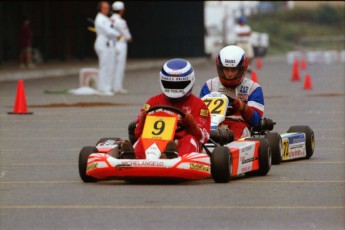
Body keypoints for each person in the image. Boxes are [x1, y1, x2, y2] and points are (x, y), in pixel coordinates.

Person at [122, 58, 211, 159]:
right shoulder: (153, 102)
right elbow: (137, 132)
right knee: (143, 138)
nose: (174, 88)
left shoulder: (199, 105)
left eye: (178, 84)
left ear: (190, 80)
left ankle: (172, 156)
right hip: (155, 142)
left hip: (182, 143)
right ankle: (133, 158)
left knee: (189, 139)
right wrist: (143, 121)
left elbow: (204, 138)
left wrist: (191, 125)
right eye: (170, 84)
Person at [199, 45, 264, 139]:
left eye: (233, 70)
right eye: (226, 69)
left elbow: (256, 122)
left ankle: (230, 151)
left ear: (242, 69)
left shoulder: (253, 88)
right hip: (213, 126)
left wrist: (243, 108)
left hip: (239, 125)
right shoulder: (210, 85)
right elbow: (201, 114)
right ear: (220, 68)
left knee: (238, 132)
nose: (229, 74)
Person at [94, 1, 121, 96]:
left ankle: (108, 87)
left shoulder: (106, 18)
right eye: (104, 8)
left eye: (108, 8)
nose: (107, 9)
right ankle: (102, 88)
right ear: (100, 8)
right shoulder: (100, 19)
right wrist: (118, 33)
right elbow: (108, 31)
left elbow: (111, 30)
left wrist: (116, 33)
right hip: (102, 44)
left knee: (110, 66)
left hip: (109, 44)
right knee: (104, 66)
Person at [111, 1, 132, 94]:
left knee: (112, 66)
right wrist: (129, 38)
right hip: (121, 44)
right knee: (120, 66)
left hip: (112, 44)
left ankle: (111, 86)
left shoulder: (109, 19)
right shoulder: (121, 21)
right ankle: (117, 87)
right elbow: (127, 35)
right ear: (121, 10)